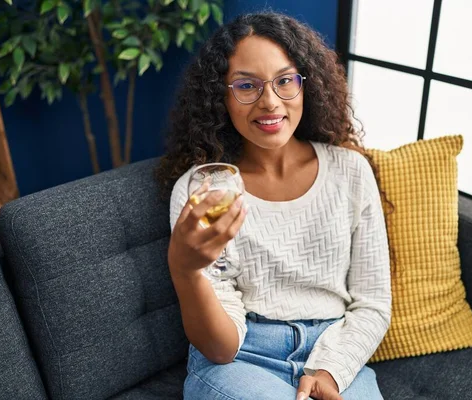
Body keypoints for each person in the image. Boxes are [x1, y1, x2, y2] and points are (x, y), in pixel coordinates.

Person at [155, 11, 391, 400]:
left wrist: (329, 370)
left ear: (305, 86)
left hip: (336, 349)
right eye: (246, 86)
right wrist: (185, 270)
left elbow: (373, 303)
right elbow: (219, 348)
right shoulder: (202, 190)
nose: (269, 102)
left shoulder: (351, 172)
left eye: (284, 81)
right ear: (221, 96)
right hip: (241, 358)